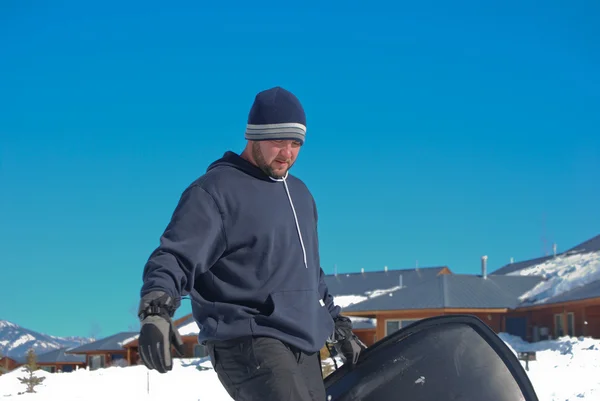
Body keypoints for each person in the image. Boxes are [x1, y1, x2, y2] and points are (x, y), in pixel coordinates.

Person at [135, 86, 365, 401]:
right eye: (277, 141)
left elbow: (309, 270)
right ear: (253, 136)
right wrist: (156, 309)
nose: (287, 153)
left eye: (296, 143)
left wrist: (335, 323)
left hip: (304, 342)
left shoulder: (301, 195)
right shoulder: (214, 192)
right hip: (248, 338)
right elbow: (175, 255)